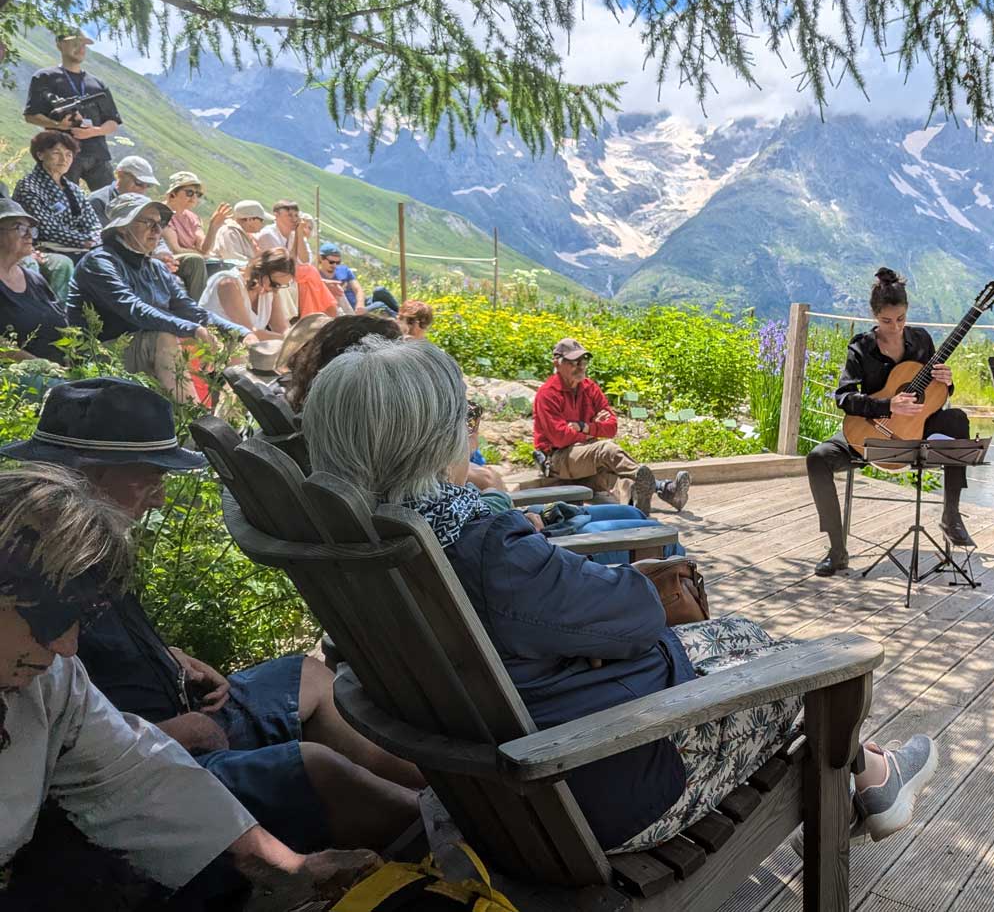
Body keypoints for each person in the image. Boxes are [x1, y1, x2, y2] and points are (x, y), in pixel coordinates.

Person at [303, 337, 939, 853]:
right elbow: (635, 614)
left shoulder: (354, 544)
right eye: (462, 417)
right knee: (811, 676)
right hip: (592, 788)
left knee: (746, 636)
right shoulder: (479, 543)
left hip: (486, 788)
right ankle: (869, 779)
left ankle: (871, 777)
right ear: (434, 438)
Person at [0, 377, 426, 855]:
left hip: (173, 714)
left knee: (307, 675)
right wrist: (165, 735)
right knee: (316, 768)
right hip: (146, 758)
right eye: (151, 477)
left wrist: (167, 655)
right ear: (92, 473)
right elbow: (62, 754)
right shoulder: (38, 568)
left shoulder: (87, 549)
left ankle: (441, 796)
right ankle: (446, 838)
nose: (159, 498)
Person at [0, 462, 380, 904]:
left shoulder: (50, 680)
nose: (66, 647)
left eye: (78, 621)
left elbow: (130, 772)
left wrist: (288, 868)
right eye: (49, 618)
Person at [284, 316, 677, 563]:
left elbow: (610, 423)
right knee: (656, 536)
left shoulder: (361, 508)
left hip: (510, 535)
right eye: (464, 416)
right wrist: (507, 517)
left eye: (583, 361)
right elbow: (565, 434)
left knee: (631, 514)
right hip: (549, 482)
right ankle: (656, 488)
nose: (580, 367)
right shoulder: (451, 525)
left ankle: (650, 490)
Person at [806, 268, 975, 576]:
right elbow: (843, 397)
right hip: (870, 432)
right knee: (817, 459)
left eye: (900, 319)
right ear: (875, 316)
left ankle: (951, 515)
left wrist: (947, 381)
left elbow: (937, 392)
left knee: (958, 420)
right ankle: (837, 549)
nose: (895, 328)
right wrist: (887, 405)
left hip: (915, 431)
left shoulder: (921, 340)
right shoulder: (861, 347)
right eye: (886, 321)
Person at [67, 193, 253, 401]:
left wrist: (240, 332)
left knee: (234, 344)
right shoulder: (100, 262)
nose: (157, 230)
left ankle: (229, 421)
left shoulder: (155, 267)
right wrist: (192, 328)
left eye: (160, 223)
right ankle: (192, 421)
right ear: (122, 227)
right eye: (148, 222)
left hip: (138, 349)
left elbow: (188, 309)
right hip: (100, 354)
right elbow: (133, 309)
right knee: (163, 337)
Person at [534, 337, 691, 513]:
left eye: (584, 361)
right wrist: (593, 428)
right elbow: (560, 437)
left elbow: (612, 427)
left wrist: (583, 427)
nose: (581, 366)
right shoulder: (547, 394)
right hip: (558, 461)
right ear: (557, 362)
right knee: (606, 450)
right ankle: (665, 488)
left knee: (613, 479)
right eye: (574, 362)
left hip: (585, 457)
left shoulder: (590, 388)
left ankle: (634, 503)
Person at [22, 29, 122, 190]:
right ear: (60, 45)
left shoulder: (98, 83)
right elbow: (31, 115)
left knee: (109, 205)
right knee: (63, 203)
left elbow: (113, 121)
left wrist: (94, 131)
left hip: (98, 156)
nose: (81, 48)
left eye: (84, 45)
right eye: (75, 43)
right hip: (61, 156)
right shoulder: (44, 77)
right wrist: (59, 125)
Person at [12, 130, 102, 297]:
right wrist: (85, 241)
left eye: (69, 154)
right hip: (40, 245)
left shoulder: (74, 189)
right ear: (40, 155)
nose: (64, 159)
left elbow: (92, 222)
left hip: (78, 244)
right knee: (66, 264)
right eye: (56, 153)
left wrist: (95, 239)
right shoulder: (28, 187)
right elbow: (48, 229)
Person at [0, 199, 68, 364]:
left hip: (59, 374)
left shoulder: (34, 278)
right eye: (20, 228)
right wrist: (40, 366)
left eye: (31, 229)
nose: (30, 235)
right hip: (17, 378)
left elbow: (62, 321)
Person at [158, 171, 230, 301]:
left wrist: (213, 227)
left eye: (198, 194)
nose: (194, 197)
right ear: (173, 194)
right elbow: (175, 249)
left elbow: (204, 248)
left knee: (223, 264)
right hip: (169, 259)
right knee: (195, 260)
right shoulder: (162, 212)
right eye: (189, 192)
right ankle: (200, 310)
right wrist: (201, 254)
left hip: (189, 258)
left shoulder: (192, 217)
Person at [197, 247, 296, 340]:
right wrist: (287, 340)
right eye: (274, 284)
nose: (275, 290)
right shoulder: (229, 284)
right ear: (262, 272)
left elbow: (281, 327)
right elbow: (247, 332)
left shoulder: (268, 289)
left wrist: (295, 337)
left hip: (241, 350)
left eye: (279, 286)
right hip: (213, 348)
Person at [87, 155, 159, 224]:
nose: (143, 191)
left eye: (148, 186)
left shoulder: (141, 205)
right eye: (138, 183)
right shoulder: (98, 201)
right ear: (120, 174)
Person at [214, 199, 268, 265]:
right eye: (261, 220)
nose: (263, 224)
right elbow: (232, 258)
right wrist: (257, 264)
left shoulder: (239, 233)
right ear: (250, 219)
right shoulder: (229, 231)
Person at [320, 243, 364, 313]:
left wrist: (360, 304)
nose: (334, 265)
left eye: (338, 262)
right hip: (340, 312)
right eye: (331, 262)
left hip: (357, 309)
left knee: (380, 295)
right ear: (321, 259)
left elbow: (358, 289)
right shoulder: (318, 276)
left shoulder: (344, 270)